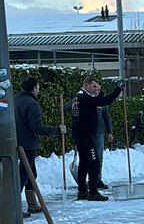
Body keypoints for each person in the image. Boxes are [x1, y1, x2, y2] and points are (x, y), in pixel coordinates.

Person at [13, 76, 65, 214]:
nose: (38, 90)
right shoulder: (31, 103)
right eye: (38, 87)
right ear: (34, 88)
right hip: (27, 144)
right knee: (23, 175)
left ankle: (32, 204)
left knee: (31, 174)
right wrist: (57, 130)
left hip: (16, 141)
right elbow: (36, 127)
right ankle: (14, 207)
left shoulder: (14, 99)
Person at [71, 75, 124, 201]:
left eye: (98, 87)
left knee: (84, 161)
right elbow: (105, 101)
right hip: (86, 135)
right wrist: (118, 88)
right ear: (86, 85)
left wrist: (99, 93)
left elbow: (99, 101)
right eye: (94, 86)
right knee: (94, 162)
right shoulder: (85, 98)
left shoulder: (77, 97)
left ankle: (82, 190)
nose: (96, 89)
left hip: (80, 134)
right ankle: (93, 191)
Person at [95, 105, 113, 189]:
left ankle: (97, 179)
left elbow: (106, 116)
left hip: (99, 133)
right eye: (95, 90)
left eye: (98, 90)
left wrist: (109, 131)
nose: (96, 91)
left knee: (99, 157)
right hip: (87, 133)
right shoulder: (85, 99)